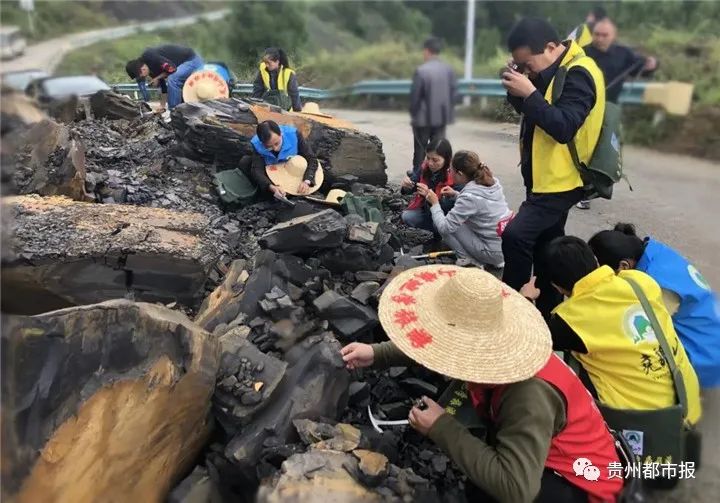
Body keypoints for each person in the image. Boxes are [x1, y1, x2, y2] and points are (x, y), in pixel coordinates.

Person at [342, 266, 623, 502]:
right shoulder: (505, 346)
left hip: (583, 483)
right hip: (544, 449)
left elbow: (518, 489)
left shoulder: (528, 393)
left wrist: (441, 427)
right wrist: (377, 354)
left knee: (484, 490)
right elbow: (440, 343)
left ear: (480, 348)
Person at [521, 236, 702, 426]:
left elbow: (530, 338)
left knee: (559, 364)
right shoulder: (639, 281)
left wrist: (526, 299)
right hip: (686, 400)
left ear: (556, 286)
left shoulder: (571, 321)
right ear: (596, 261)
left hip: (646, 423)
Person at [500, 17, 605, 320]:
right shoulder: (555, 69)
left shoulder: (580, 74)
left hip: (561, 182)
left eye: (528, 63)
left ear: (549, 47)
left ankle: (514, 313)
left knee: (516, 236)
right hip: (545, 180)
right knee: (547, 246)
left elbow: (563, 127)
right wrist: (517, 86)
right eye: (522, 66)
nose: (528, 70)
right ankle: (546, 312)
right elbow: (534, 111)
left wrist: (529, 92)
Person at [589, 223, 720, 388]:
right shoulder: (653, 252)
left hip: (703, 357)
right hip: (711, 334)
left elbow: (651, 335)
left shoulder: (655, 284)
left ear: (624, 266)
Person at [575, 18, 658, 210]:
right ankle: (580, 187)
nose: (600, 38)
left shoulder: (623, 53)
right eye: (597, 34)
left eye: (605, 35)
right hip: (585, 106)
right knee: (584, 149)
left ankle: (594, 187)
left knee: (604, 150)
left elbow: (643, 68)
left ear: (613, 36)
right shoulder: (583, 53)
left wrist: (652, 65)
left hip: (610, 108)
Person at [423, 150, 513, 269]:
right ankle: (494, 260)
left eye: (451, 170)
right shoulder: (493, 182)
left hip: (493, 252)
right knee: (458, 220)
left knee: (449, 225)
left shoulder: (469, 197)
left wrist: (434, 204)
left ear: (459, 173)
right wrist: (456, 194)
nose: (449, 173)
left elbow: (445, 228)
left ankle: (468, 260)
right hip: (506, 247)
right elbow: (480, 204)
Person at [409, 37, 458, 179]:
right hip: (441, 117)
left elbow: (415, 96)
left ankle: (417, 178)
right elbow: (454, 93)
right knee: (439, 149)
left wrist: (414, 114)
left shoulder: (421, 70)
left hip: (422, 118)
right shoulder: (448, 70)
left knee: (420, 150)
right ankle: (440, 177)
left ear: (426, 51)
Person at [245, 120, 321, 198]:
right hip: (272, 171)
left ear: (281, 134)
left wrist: (307, 181)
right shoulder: (257, 145)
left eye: (277, 143)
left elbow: (312, 158)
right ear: (262, 143)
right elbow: (257, 170)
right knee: (246, 163)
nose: (275, 149)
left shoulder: (294, 135)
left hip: (294, 170)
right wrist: (271, 187)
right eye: (269, 147)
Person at [400, 138, 458, 233]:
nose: (430, 163)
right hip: (427, 210)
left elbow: (452, 207)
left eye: (435, 160)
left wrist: (430, 197)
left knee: (438, 224)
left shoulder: (455, 175)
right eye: (428, 158)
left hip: (447, 216)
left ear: (447, 159)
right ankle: (436, 232)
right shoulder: (425, 167)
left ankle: (443, 235)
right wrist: (407, 187)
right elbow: (414, 183)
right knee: (407, 216)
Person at [126, 44, 204, 110]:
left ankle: (174, 111)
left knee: (173, 78)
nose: (144, 77)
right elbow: (163, 87)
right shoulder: (150, 69)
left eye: (141, 75)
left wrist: (157, 78)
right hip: (181, 65)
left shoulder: (150, 56)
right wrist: (162, 106)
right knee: (174, 81)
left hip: (191, 59)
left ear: (142, 69)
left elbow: (172, 69)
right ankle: (182, 109)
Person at [251, 47, 302, 112]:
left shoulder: (288, 74)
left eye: (269, 63)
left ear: (277, 62)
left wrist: (297, 111)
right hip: (268, 107)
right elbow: (258, 88)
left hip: (285, 110)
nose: (266, 65)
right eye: (265, 62)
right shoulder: (263, 70)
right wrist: (254, 104)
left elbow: (294, 94)